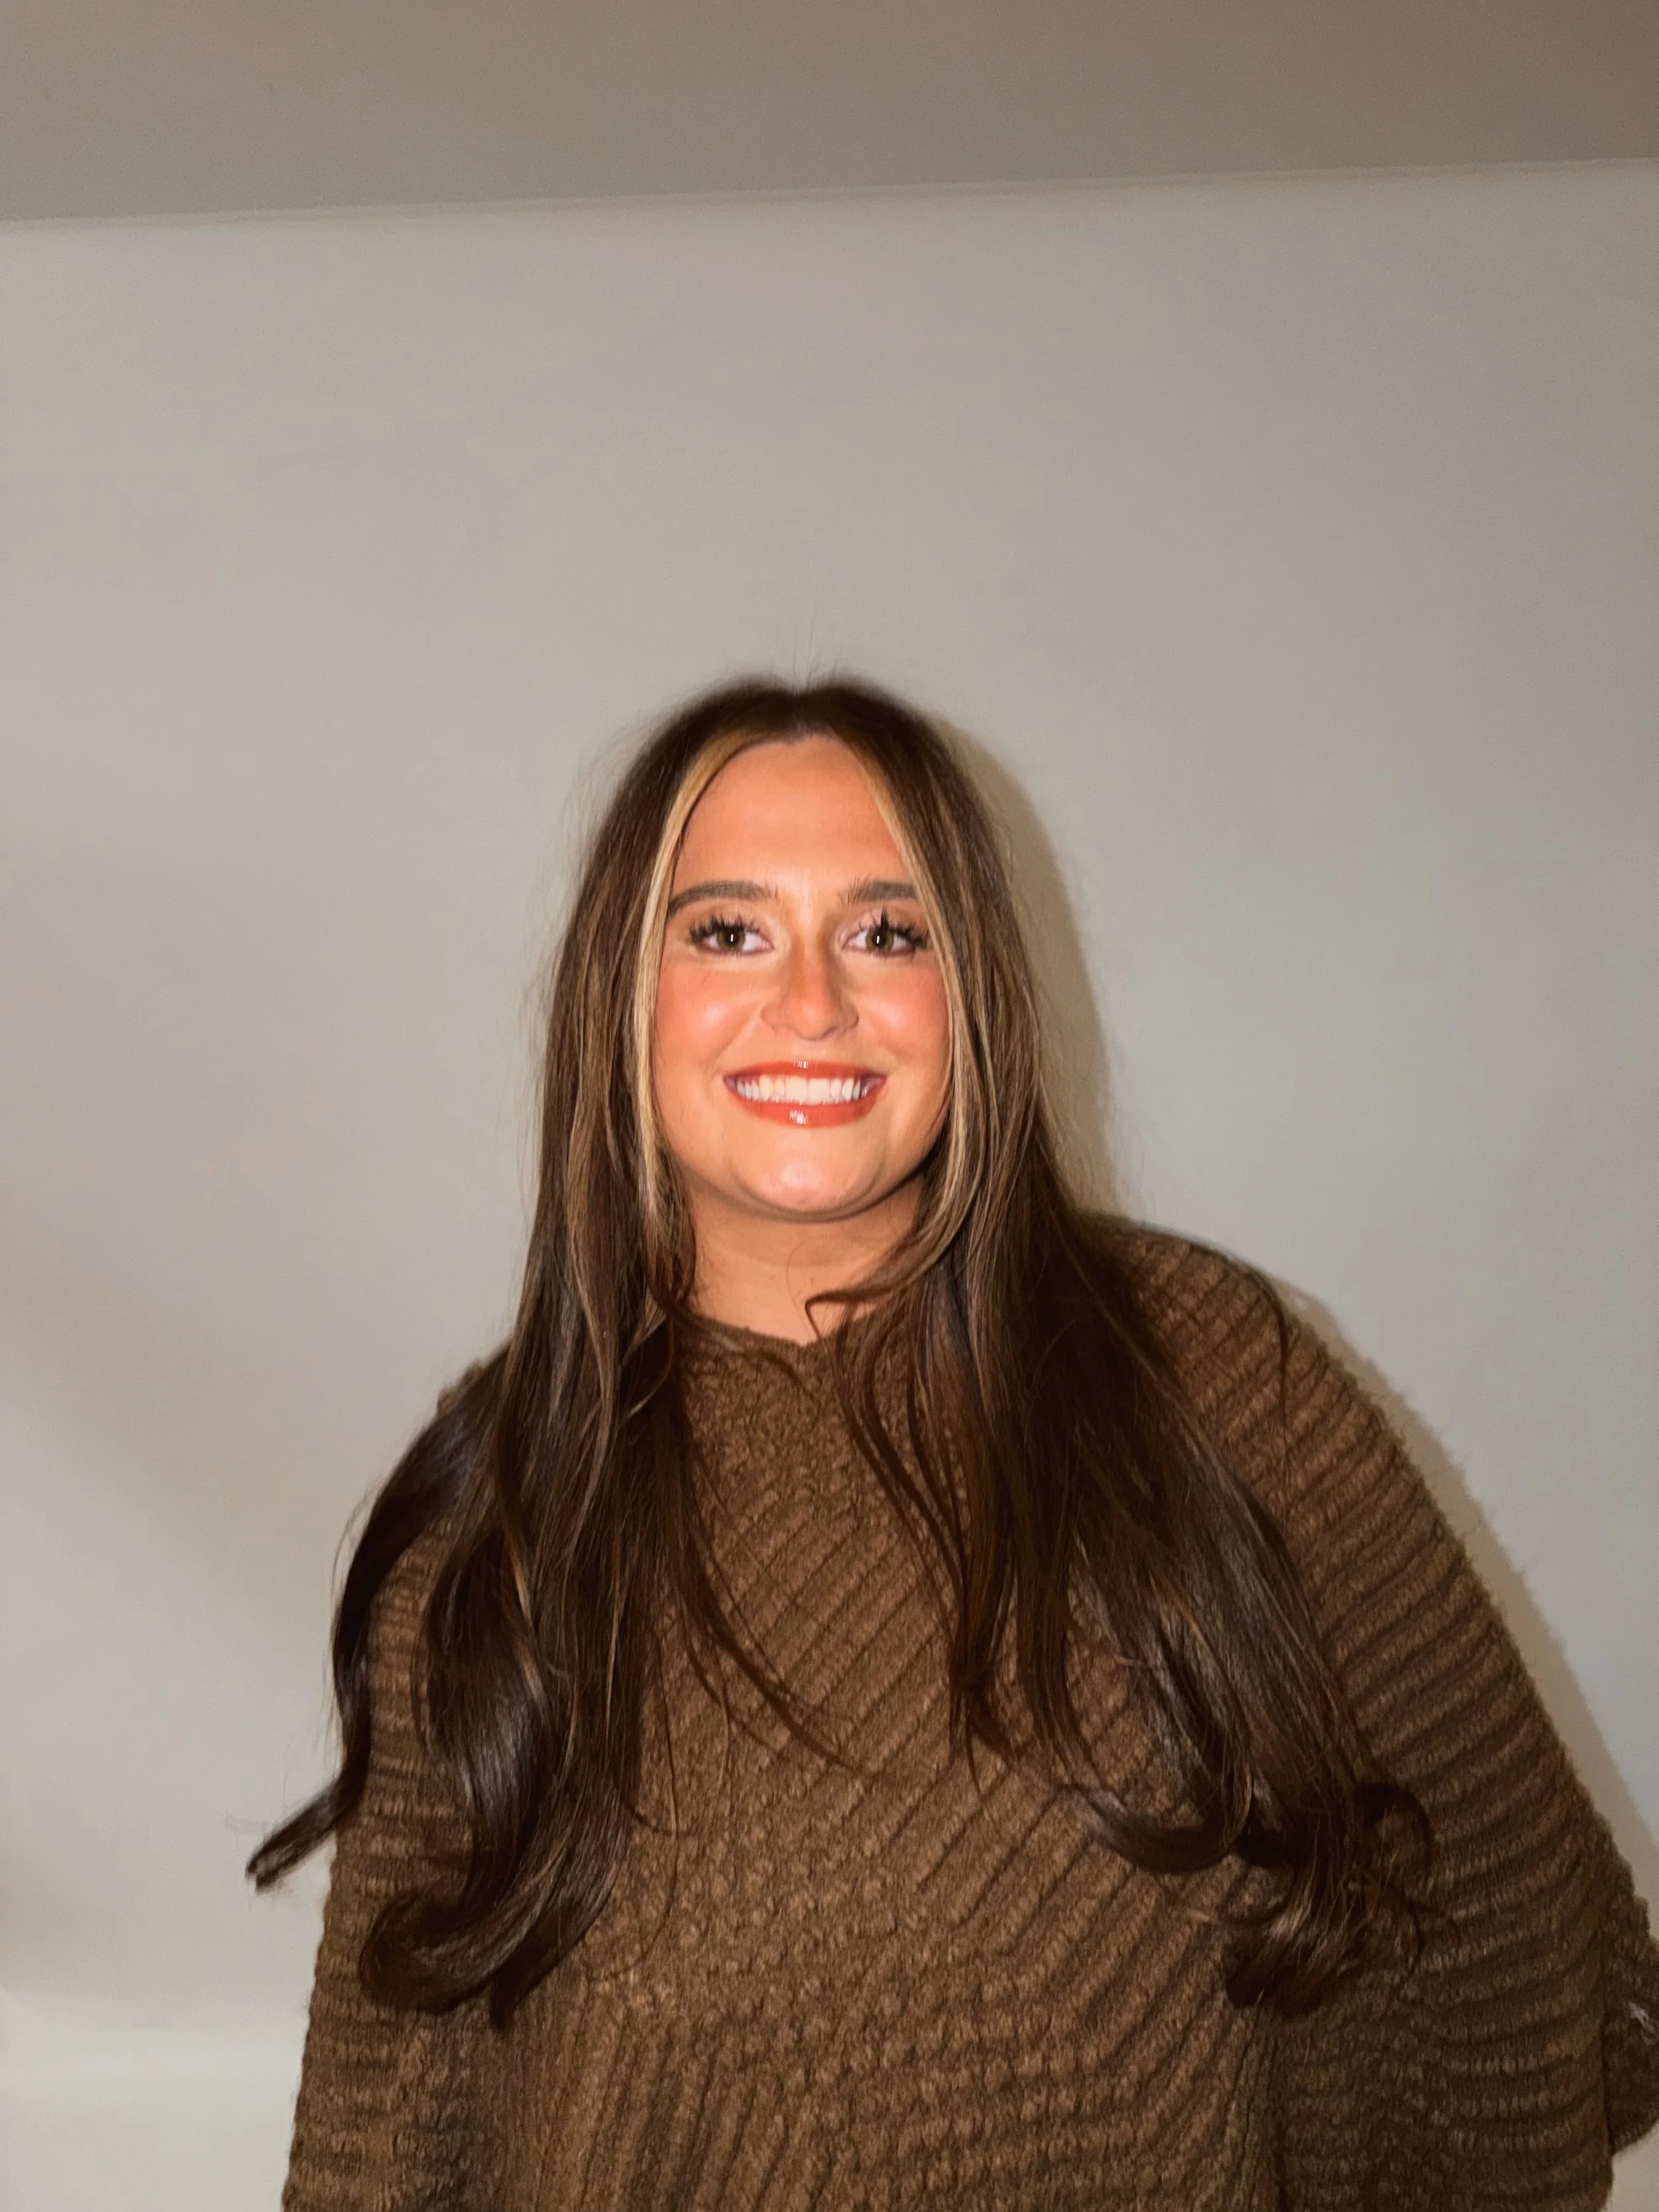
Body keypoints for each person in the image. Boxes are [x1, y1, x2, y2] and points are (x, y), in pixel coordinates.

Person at [253, 678, 1659, 2209]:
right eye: (726, 930)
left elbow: (1487, 1914)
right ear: (622, 997)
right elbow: (390, 2119)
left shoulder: (1216, 1382)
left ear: (970, 989)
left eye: (886, 930)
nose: (810, 1003)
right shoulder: (508, 1504)